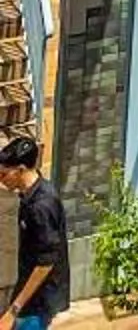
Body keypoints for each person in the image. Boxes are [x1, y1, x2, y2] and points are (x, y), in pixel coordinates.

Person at [0, 133, 68, 330]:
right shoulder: (30, 195)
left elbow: (45, 263)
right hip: (29, 296)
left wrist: (14, 310)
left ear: (20, 170)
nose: (1, 181)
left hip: (39, 301)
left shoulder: (42, 205)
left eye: (4, 175)